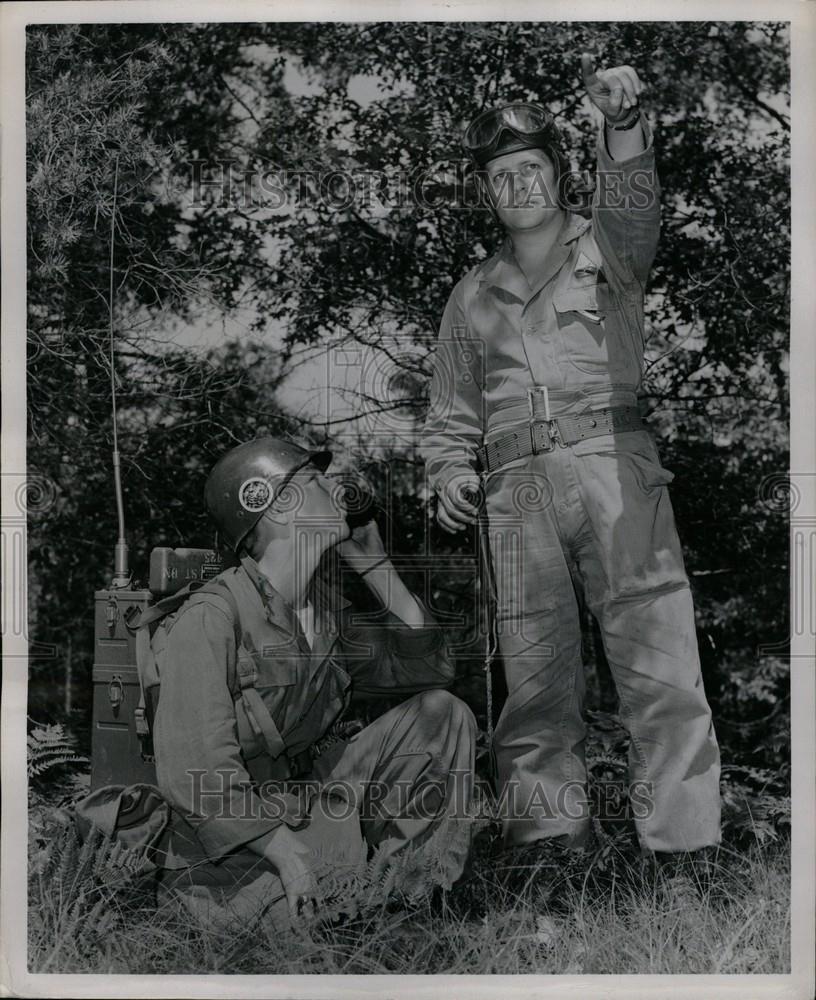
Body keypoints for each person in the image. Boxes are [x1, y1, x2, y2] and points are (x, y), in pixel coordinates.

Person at [421, 54, 721, 860]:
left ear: (558, 176)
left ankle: (686, 856)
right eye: (501, 175)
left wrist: (621, 128)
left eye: (532, 168)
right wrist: (450, 474)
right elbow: (449, 417)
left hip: (615, 474)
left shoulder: (609, 251)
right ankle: (552, 851)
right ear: (486, 193)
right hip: (516, 495)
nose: (518, 185)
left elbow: (633, 206)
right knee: (537, 684)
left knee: (659, 670)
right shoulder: (470, 294)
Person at [80, 437, 476, 926]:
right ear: (274, 508)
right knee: (310, 937)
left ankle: (410, 905)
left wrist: (376, 569)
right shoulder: (211, 616)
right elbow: (195, 775)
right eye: (315, 481)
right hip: (232, 846)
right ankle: (332, 898)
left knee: (443, 714)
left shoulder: (323, 614)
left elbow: (430, 671)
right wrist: (288, 855)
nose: (337, 490)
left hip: (302, 802)